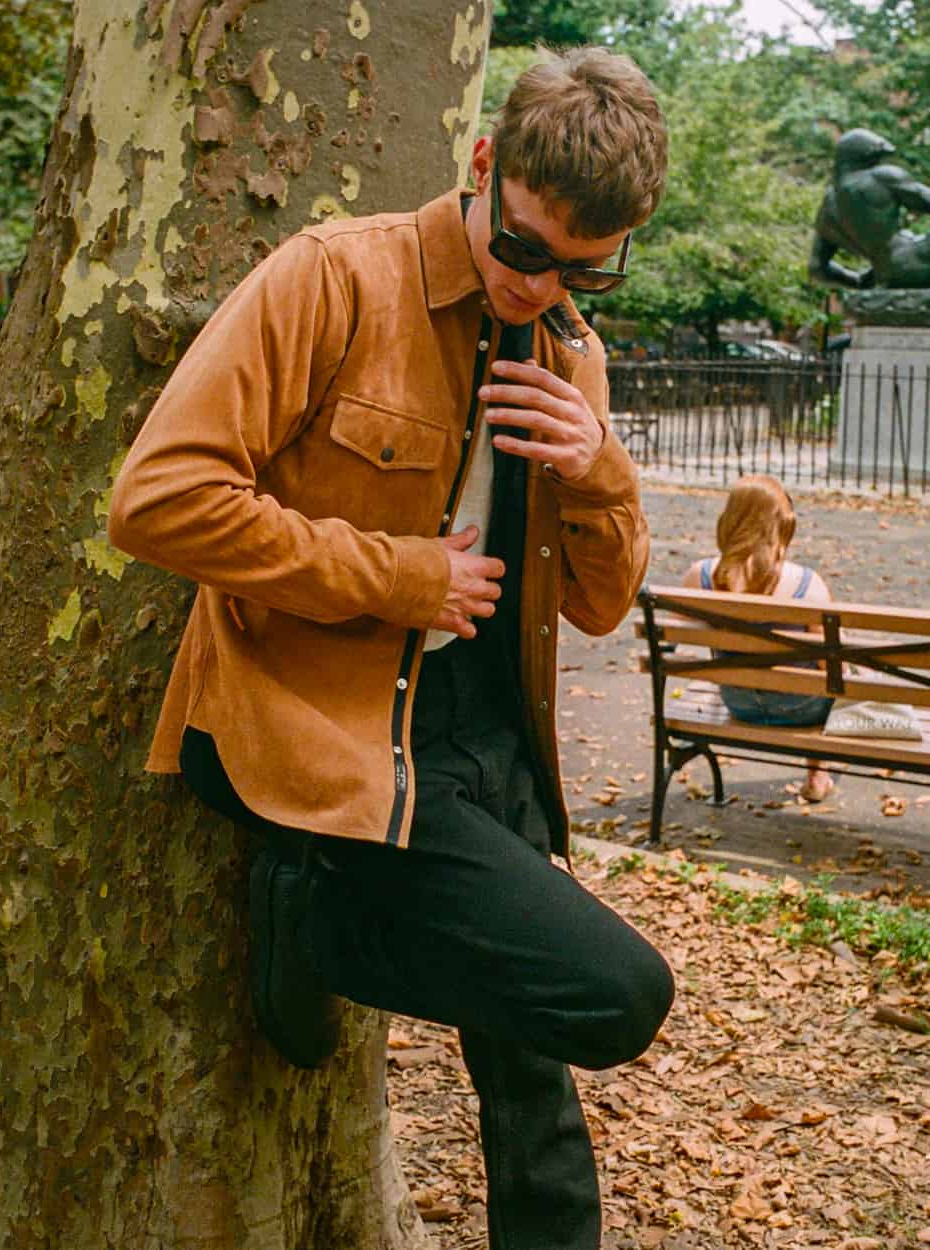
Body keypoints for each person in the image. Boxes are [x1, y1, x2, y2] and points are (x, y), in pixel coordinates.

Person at [109, 46, 674, 1249]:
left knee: (534, 1088)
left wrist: (602, 469)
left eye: (585, 270)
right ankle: (307, 909)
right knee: (615, 993)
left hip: (483, 747)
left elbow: (598, 605)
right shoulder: (332, 278)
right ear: (482, 166)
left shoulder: (571, 349)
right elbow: (157, 499)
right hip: (312, 731)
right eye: (521, 248)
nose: (541, 288)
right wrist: (395, 575)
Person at [682, 475, 835, 802]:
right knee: (838, 674)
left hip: (738, 702)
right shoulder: (808, 586)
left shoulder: (700, 576)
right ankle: (818, 774)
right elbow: (830, 668)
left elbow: (670, 637)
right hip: (802, 708)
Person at [809, 127, 930, 290]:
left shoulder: (829, 204)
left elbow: (816, 268)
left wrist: (859, 281)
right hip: (918, 262)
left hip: (884, 274)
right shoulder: (882, 177)